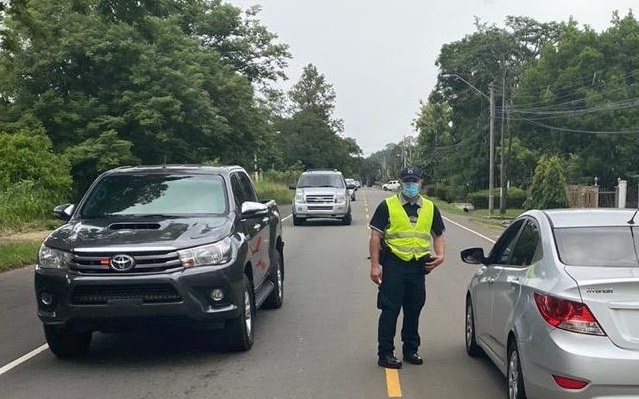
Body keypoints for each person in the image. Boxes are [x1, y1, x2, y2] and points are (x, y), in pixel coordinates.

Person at [369, 166, 445, 369]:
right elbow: (375, 236)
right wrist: (375, 266)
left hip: (419, 265)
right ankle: (385, 353)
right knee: (390, 309)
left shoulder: (429, 207)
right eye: (407, 181)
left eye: (414, 181)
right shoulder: (387, 205)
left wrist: (441, 255)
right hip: (394, 264)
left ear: (420, 182)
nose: (411, 185)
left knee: (414, 309)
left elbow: (438, 234)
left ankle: (411, 349)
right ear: (400, 183)